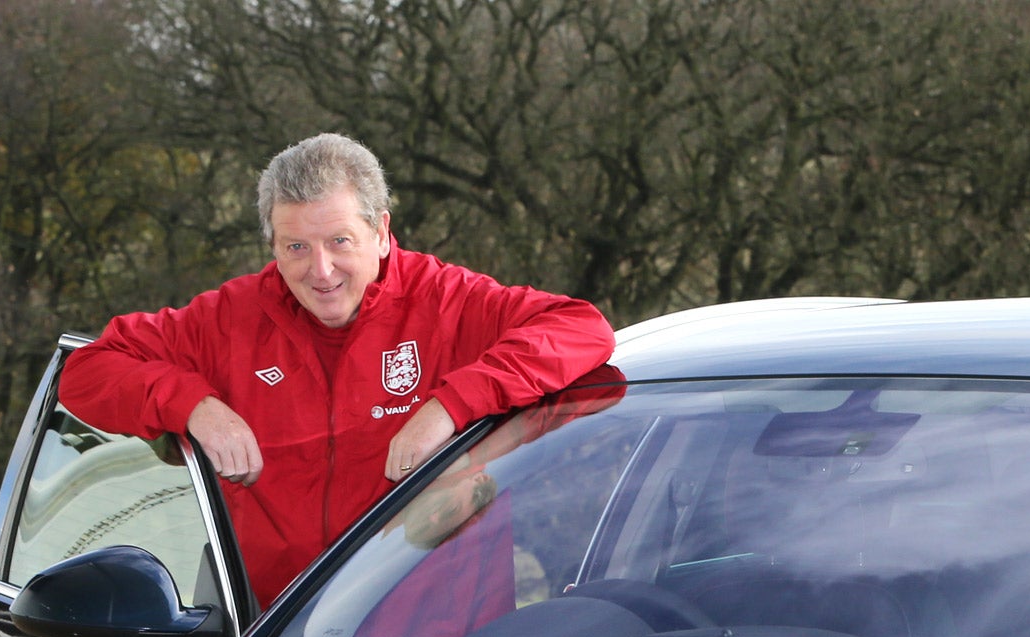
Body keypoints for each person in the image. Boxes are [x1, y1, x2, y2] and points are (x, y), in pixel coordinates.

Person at [59, 133, 615, 608]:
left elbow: (580, 328)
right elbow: (87, 372)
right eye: (295, 246)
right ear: (272, 244)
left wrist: (450, 407)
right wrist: (195, 407)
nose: (319, 270)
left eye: (339, 242)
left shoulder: (450, 303)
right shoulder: (227, 321)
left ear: (380, 231)